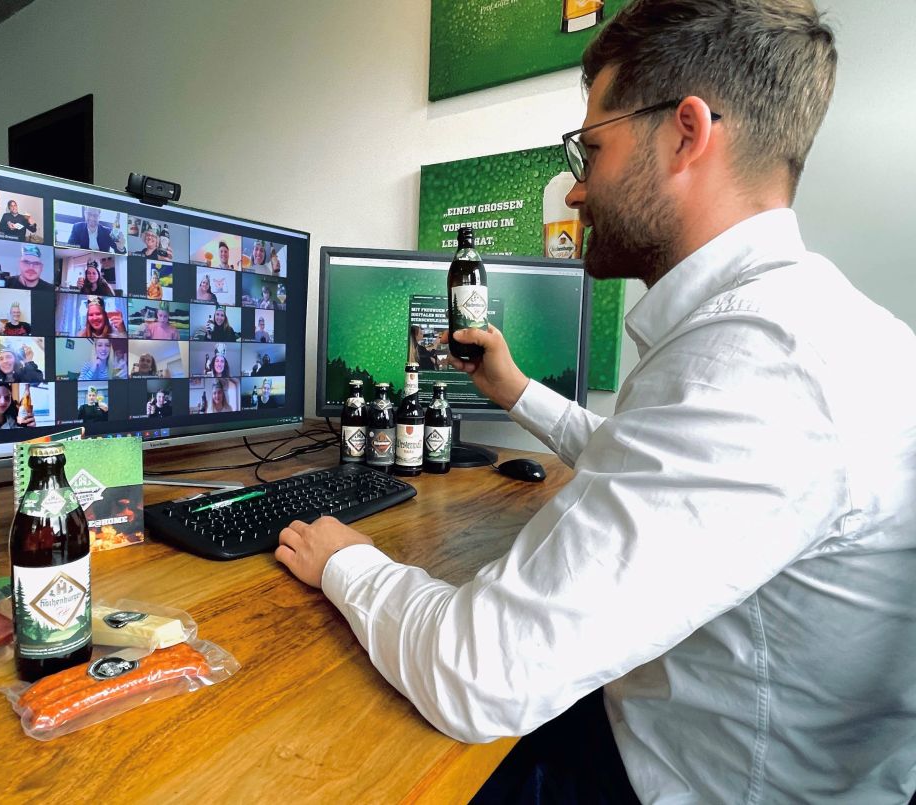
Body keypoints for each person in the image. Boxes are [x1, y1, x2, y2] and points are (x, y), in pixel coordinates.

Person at [274, 3, 916, 802]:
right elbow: (646, 459)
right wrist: (516, 392)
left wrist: (345, 560)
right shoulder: (812, 330)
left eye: (592, 149)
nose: (575, 191)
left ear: (687, 134)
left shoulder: (759, 366)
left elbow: (478, 672)